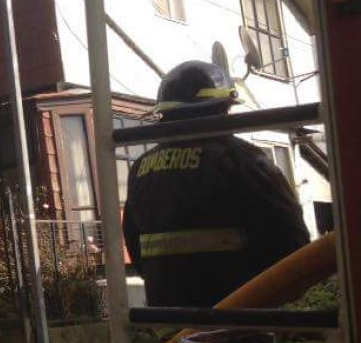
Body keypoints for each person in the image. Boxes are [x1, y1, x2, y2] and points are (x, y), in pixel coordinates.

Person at [123, 60, 310, 308]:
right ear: (222, 107)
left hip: (169, 316)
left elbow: (133, 240)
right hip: (237, 314)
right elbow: (292, 240)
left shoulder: (140, 168)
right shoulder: (242, 159)